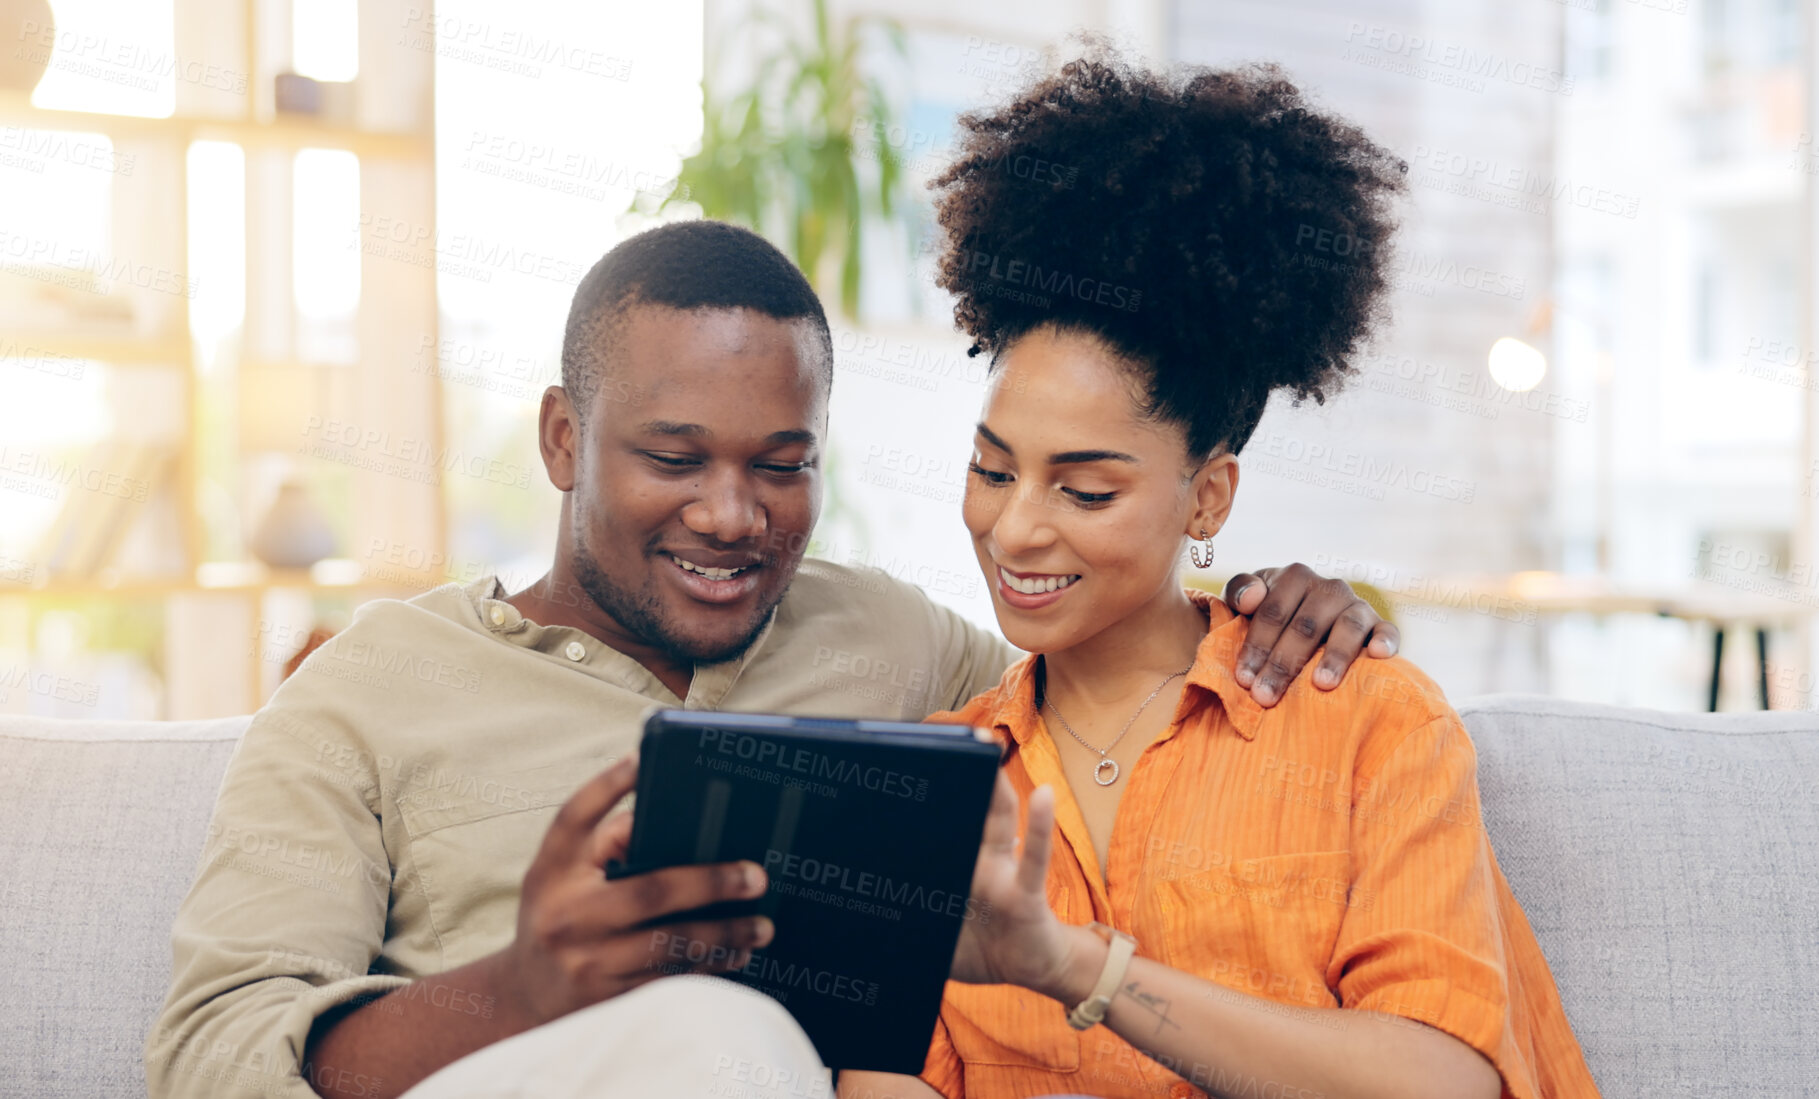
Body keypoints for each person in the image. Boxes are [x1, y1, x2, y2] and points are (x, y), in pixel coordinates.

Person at [143, 218, 1396, 1099]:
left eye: (782, 464)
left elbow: (1110, 670)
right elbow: (210, 1060)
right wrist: (524, 985)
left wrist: (1279, 599)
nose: (734, 516)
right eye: (675, 459)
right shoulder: (367, 688)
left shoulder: (897, 642)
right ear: (563, 439)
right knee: (702, 1028)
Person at [838, 56, 1601, 1099]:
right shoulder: (935, 779)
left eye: (1086, 492)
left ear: (1207, 501)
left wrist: (1074, 967)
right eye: (990, 469)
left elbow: (1435, 1080)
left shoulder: (1363, 722)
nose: (1014, 528)